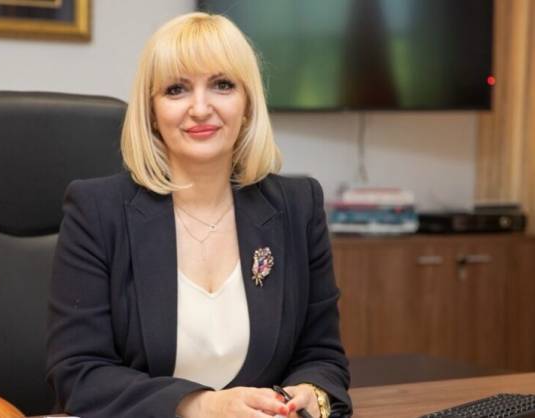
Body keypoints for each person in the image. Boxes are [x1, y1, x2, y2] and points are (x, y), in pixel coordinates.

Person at [46, 12, 351, 418]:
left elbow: (322, 355)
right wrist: (203, 406)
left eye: (222, 85)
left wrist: (311, 394)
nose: (201, 108)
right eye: (177, 89)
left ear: (247, 104)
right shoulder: (97, 211)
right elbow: (79, 374)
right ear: (152, 112)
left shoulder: (298, 206)